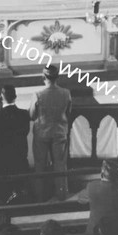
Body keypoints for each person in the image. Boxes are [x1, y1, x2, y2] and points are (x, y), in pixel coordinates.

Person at [29, 65, 72, 201]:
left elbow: (31, 114)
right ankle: (62, 194)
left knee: (40, 164)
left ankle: (40, 196)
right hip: (59, 131)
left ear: (43, 77)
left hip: (42, 132)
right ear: (57, 77)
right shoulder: (66, 93)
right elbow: (68, 112)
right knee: (60, 164)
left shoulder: (38, 94)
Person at [0, 85, 31, 202]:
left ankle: (8, 197)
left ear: (1, 97)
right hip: (20, 153)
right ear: (15, 97)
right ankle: (21, 196)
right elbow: (25, 132)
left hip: (4, 156)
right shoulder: (24, 114)